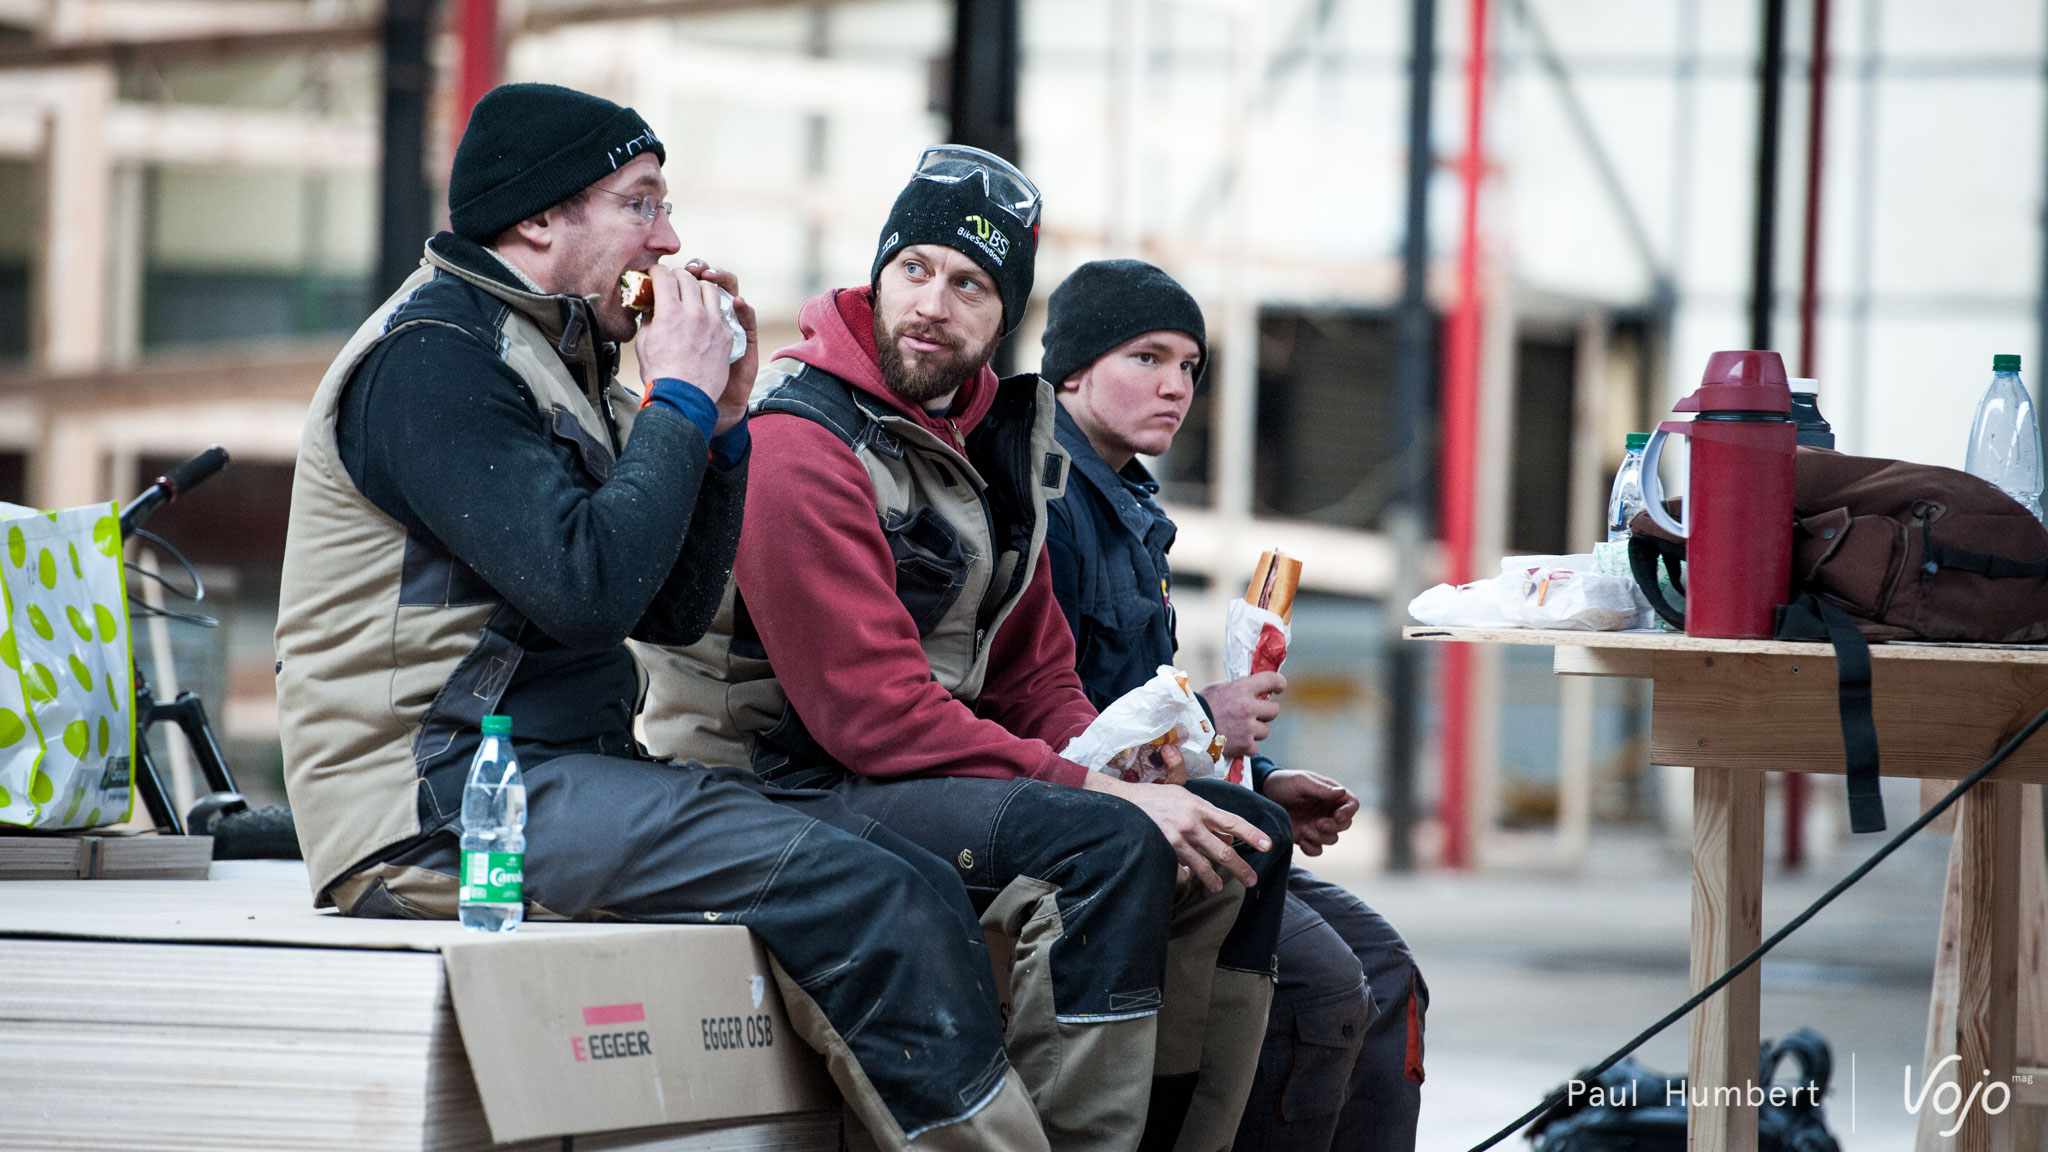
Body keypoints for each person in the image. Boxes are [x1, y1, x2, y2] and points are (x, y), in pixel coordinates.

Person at [274, 84, 1047, 1152]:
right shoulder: (432, 360)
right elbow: (586, 592)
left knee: (913, 877)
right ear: (542, 218)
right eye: (640, 203)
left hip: (559, 770)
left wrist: (722, 427)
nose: (670, 236)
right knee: (865, 890)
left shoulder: (557, 350)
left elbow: (671, 610)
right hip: (440, 799)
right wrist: (676, 400)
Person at [639, 145, 1291, 1152]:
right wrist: (1100, 793)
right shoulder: (801, 440)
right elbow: (871, 715)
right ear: (878, 273)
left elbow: (1035, 670)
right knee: (1107, 844)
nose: (931, 303)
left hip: (904, 772)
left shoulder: (994, 444)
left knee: (1240, 836)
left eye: (970, 285)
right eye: (913, 269)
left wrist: (1111, 752)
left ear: (1004, 319)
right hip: (781, 780)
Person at [1038, 260, 1428, 1152]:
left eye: (1190, 366)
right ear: (1072, 368)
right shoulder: (1046, 503)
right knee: (1325, 988)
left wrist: (1260, 778)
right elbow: (1059, 724)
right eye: (1148, 357)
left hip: (1173, 799)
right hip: (1094, 822)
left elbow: (1148, 716)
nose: (1176, 386)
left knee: (1386, 969)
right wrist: (1208, 719)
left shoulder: (1130, 500)